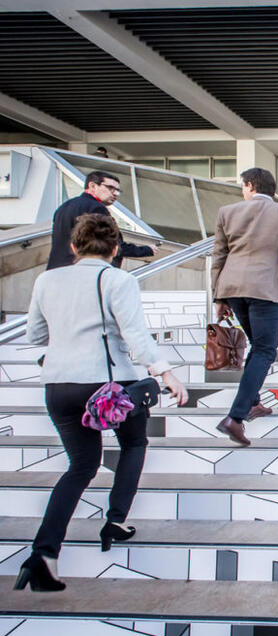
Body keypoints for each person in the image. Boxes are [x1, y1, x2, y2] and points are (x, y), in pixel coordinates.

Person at [17, 214, 188, 592]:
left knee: (80, 467)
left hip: (60, 385)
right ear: (114, 249)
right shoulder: (118, 279)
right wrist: (167, 374)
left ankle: (44, 554)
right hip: (109, 387)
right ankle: (115, 520)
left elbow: (34, 334)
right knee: (134, 444)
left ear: (73, 246)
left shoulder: (47, 280)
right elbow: (136, 336)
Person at [213, 167, 278, 446]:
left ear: (251, 186)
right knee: (266, 349)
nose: (242, 190)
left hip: (232, 288)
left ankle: (253, 402)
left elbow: (219, 255)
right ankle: (236, 417)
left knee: (259, 347)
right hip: (266, 289)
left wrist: (219, 297)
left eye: (243, 186)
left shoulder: (227, 212)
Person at [46, 170, 158, 271]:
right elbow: (110, 245)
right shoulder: (96, 208)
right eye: (110, 188)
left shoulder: (65, 206)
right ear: (92, 186)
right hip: (82, 272)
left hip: (56, 270)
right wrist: (146, 250)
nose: (115, 194)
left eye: (117, 191)